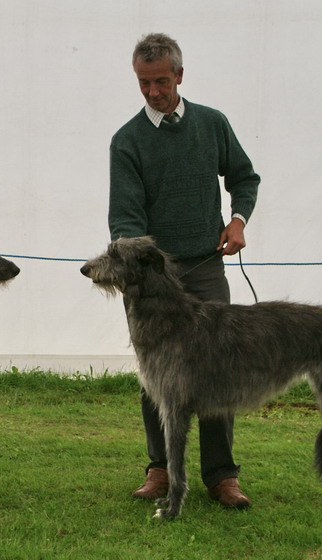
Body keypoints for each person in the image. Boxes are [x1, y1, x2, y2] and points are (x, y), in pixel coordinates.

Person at [108, 33, 260, 509]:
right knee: (157, 379)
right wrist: (142, 262)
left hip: (206, 270)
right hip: (150, 285)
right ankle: (161, 469)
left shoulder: (212, 124)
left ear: (179, 75)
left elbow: (244, 177)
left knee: (218, 372)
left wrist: (237, 220)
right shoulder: (127, 140)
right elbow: (125, 217)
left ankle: (222, 475)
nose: (153, 91)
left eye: (160, 81)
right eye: (143, 83)